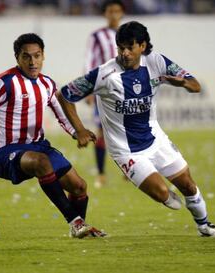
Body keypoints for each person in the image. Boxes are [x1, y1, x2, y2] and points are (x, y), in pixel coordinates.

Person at [57, 21, 215, 238]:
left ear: (143, 46)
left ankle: (205, 227)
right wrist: (79, 130)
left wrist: (181, 83)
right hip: (126, 151)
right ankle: (167, 197)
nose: (125, 53)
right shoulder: (104, 74)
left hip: (156, 140)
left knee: (188, 185)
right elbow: (64, 94)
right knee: (163, 194)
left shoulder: (156, 61)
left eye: (130, 47)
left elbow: (195, 85)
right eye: (121, 48)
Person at [0, 33, 106, 239]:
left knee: (79, 187)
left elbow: (61, 115)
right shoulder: (5, 82)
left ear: (43, 56)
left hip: (38, 146)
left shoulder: (47, 84)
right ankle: (75, 222)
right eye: (26, 56)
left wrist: (77, 132)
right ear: (17, 58)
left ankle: (81, 228)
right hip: (4, 153)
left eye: (37, 55)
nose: (33, 62)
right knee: (41, 162)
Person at [84, 0, 125, 188]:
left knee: (129, 128)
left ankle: (130, 169)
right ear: (105, 14)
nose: (114, 14)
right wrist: (88, 87)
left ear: (122, 13)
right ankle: (101, 173)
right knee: (102, 131)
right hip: (104, 88)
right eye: (110, 11)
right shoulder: (97, 36)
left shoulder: (129, 33)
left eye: (117, 11)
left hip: (127, 87)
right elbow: (90, 61)